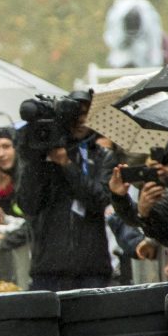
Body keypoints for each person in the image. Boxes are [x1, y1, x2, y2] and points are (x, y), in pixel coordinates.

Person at [15, 90, 117, 291]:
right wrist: (36, 162)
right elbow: (28, 204)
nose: (80, 120)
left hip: (92, 269)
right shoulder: (43, 155)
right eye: (75, 114)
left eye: (86, 114)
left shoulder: (103, 157)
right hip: (47, 269)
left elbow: (98, 200)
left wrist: (67, 165)